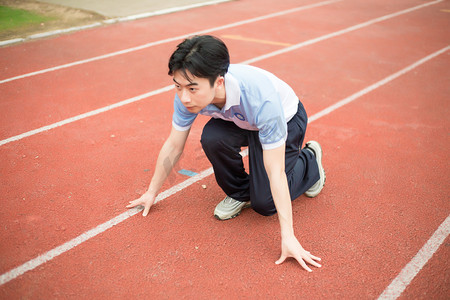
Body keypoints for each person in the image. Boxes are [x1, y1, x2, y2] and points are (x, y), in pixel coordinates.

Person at [127, 35, 325, 272]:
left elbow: (275, 171)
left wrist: (288, 237)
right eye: (177, 86)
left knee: (266, 204)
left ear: (218, 82)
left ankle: (310, 160)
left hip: (285, 119)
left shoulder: (262, 102)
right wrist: (151, 192)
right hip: (240, 121)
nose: (184, 97)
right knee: (212, 138)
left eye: (192, 88)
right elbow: (174, 145)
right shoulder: (187, 97)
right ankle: (241, 194)